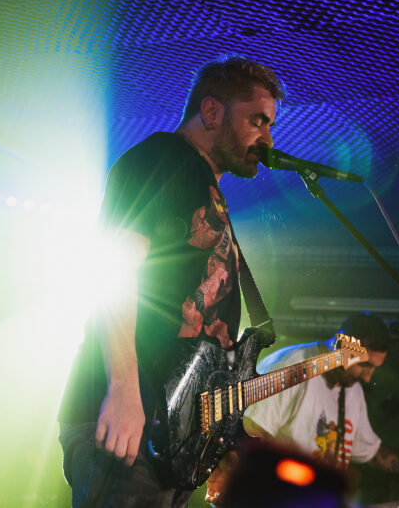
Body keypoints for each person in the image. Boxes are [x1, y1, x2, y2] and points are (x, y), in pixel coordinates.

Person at [57, 56, 285, 507]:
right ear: (212, 111)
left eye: (270, 125)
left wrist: (218, 437)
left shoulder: (207, 190)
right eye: (257, 121)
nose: (268, 139)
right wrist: (124, 390)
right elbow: (113, 268)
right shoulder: (163, 158)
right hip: (133, 417)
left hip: (174, 436)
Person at [206, 313, 399, 504]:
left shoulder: (352, 391)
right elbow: (248, 433)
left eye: (374, 369)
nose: (368, 377)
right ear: (342, 348)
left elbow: (371, 452)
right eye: (364, 365)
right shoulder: (292, 366)